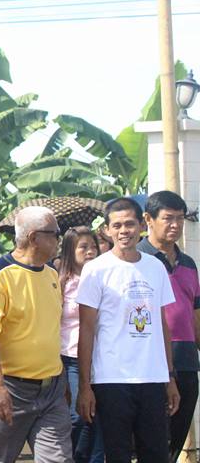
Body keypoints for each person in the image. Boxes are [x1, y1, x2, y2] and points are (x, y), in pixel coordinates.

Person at [76, 197, 179, 462]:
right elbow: (86, 330)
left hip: (152, 378)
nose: (124, 231)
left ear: (141, 225)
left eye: (130, 224)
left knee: (156, 454)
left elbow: (162, 326)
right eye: (117, 225)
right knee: (117, 454)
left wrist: (169, 377)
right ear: (107, 230)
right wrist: (85, 386)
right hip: (112, 380)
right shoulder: (95, 270)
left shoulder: (155, 267)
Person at [0, 206, 72, 463]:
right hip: (8, 388)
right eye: (55, 233)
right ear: (34, 237)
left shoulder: (51, 274)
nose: (59, 239)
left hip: (50, 391)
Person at [136, 190, 198, 462]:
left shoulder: (188, 263)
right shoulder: (136, 259)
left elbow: (195, 312)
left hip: (186, 360)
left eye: (180, 219)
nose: (175, 225)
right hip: (150, 361)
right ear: (149, 219)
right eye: (168, 218)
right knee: (149, 439)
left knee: (177, 435)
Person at [58, 227, 103, 463]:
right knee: (79, 414)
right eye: (83, 247)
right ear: (69, 251)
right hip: (71, 356)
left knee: (98, 416)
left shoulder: (103, 278)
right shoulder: (61, 282)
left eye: (93, 246)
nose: (89, 252)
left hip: (102, 357)